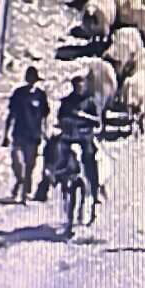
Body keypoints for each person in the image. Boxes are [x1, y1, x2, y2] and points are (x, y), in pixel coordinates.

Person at [3, 66, 50, 204]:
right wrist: (6, 134)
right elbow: (11, 114)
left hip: (33, 135)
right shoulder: (18, 94)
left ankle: (24, 194)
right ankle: (20, 182)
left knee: (30, 165)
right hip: (19, 133)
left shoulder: (40, 95)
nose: (31, 81)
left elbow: (44, 116)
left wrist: (44, 131)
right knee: (17, 163)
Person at [55, 76, 101, 205]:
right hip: (69, 138)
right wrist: (65, 123)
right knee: (57, 155)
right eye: (76, 86)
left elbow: (98, 122)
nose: (79, 89)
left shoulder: (90, 102)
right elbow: (60, 119)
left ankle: (95, 190)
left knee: (91, 159)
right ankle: (52, 181)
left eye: (81, 86)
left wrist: (84, 117)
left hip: (85, 138)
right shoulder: (66, 102)